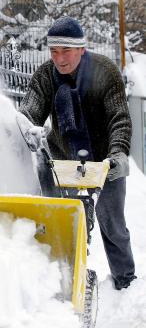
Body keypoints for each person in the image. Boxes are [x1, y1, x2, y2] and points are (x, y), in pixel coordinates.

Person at [18, 16, 136, 290]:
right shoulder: (46, 75)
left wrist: (117, 154)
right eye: (54, 51)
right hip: (64, 161)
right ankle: (66, 281)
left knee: (113, 225)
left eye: (66, 51)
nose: (59, 59)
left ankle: (126, 283)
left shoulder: (105, 71)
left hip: (106, 162)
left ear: (81, 49)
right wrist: (28, 128)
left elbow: (120, 117)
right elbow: (30, 110)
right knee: (63, 222)